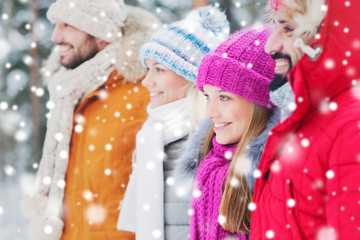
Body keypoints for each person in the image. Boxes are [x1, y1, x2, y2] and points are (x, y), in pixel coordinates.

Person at [20, 0, 161, 239]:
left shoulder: (147, 96)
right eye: (56, 24)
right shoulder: (67, 91)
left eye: (68, 25)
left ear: (102, 34)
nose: (55, 36)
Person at [117, 6, 229, 240]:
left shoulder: (212, 143)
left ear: (192, 77)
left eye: (159, 69)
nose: (147, 81)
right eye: (148, 69)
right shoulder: (155, 135)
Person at [250, 0, 360, 239]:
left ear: (323, 36)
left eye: (288, 29)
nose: (271, 45)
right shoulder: (299, 119)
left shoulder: (351, 127)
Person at [190, 26, 280, 240]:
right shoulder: (209, 166)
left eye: (223, 97)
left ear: (261, 103)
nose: (209, 112)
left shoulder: (277, 178)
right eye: (207, 96)